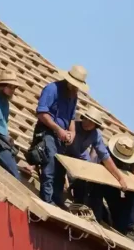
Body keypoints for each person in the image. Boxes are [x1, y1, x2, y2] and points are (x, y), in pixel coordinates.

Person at [30, 65, 88, 206]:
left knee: (60, 168)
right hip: (47, 131)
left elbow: (71, 118)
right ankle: (47, 199)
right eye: (74, 85)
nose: (75, 88)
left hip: (60, 137)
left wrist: (72, 132)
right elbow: (42, 113)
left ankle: (56, 198)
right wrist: (58, 129)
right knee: (50, 162)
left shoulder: (73, 96)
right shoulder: (52, 89)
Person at [73, 135, 134, 239]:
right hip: (98, 185)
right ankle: (97, 215)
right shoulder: (105, 152)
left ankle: (128, 226)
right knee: (95, 197)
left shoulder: (131, 155)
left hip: (115, 189)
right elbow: (100, 170)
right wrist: (120, 178)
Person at [61, 110, 131, 210]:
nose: (87, 123)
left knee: (87, 177)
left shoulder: (95, 135)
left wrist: (120, 178)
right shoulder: (73, 126)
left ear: (95, 125)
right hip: (63, 153)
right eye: (86, 120)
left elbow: (105, 157)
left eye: (91, 122)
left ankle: (79, 202)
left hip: (79, 157)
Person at [0, 70, 21, 178]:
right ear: (2, 86)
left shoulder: (6, 103)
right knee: (16, 177)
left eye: (14, 88)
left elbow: (2, 124)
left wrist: (8, 137)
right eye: (10, 87)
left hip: (3, 141)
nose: (13, 90)